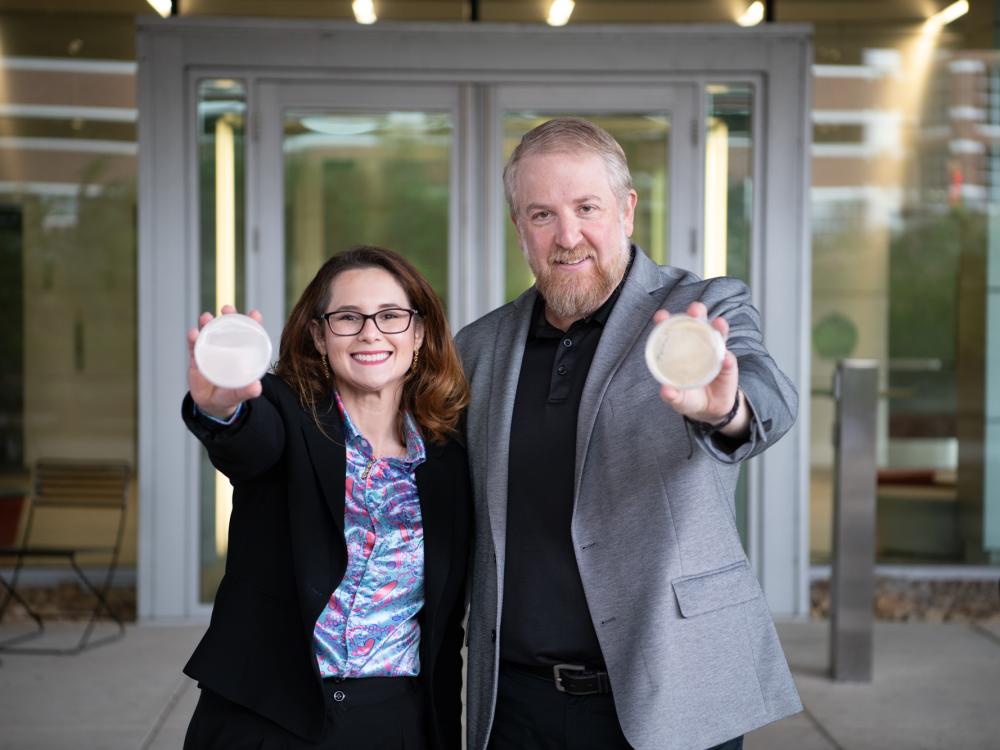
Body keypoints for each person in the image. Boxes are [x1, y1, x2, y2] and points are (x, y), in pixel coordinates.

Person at [455, 118, 802, 750]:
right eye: (541, 214)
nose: (568, 236)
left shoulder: (702, 309)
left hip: (675, 685)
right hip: (517, 701)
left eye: (587, 207)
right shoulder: (479, 347)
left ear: (627, 210)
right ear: (519, 229)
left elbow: (765, 393)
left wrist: (725, 409)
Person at [181, 246, 471, 749]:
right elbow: (249, 445)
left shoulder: (449, 452)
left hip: (395, 719)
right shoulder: (281, 408)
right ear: (318, 335)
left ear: (419, 333)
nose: (370, 332)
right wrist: (221, 406)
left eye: (391, 316)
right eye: (347, 318)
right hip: (268, 715)